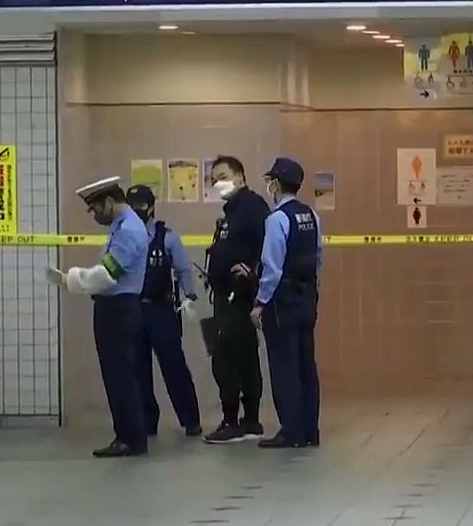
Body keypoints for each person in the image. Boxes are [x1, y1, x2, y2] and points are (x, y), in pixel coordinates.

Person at [45, 177, 150, 458]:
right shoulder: (121, 227)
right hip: (114, 308)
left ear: (109, 202)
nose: (93, 216)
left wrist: (70, 279)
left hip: (120, 309)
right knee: (117, 375)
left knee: (121, 376)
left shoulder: (129, 231)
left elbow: (106, 275)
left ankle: (131, 438)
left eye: (95, 209)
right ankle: (126, 435)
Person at [253, 157, 324, 449]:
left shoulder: (277, 219)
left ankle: (290, 430)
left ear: (277, 184)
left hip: (282, 301)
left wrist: (260, 302)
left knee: (284, 366)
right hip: (307, 298)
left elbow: (271, 267)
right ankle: (309, 429)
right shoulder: (312, 216)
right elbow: (318, 256)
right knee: (306, 365)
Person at [124, 184, 202, 438]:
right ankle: (147, 421)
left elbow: (183, 269)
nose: (137, 211)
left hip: (162, 310)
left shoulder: (166, 236)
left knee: (174, 366)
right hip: (134, 309)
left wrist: (189, 296)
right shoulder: (122, 236)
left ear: (151, 206)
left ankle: (190, 419)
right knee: (138, 369)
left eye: (141, 206)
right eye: (132, 206)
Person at [202, 156, 269, 444]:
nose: (218, 182)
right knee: (236, 357)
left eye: (224, 176)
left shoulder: (252, 208)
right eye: (214, 178)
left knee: (230, 358)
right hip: (225, 296)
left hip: (238, 297)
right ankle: (246, 420)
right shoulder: (231, 212)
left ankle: (238, 420)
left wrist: (252, 272)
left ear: (240, 177)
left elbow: (268, 246)